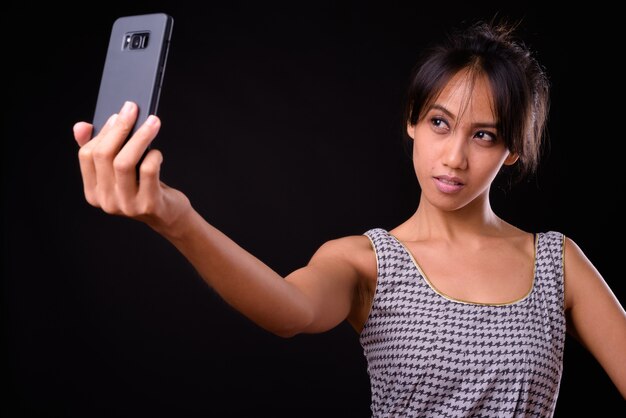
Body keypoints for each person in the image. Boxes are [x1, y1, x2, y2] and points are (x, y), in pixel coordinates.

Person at [72, 18, 626, 417]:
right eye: (439, 123)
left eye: (484, 135)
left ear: (512, 152)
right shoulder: (365, 261)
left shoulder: (556, 261)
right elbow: (289, 310)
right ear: (412, 120)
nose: (454, 156)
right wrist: (175, 217)